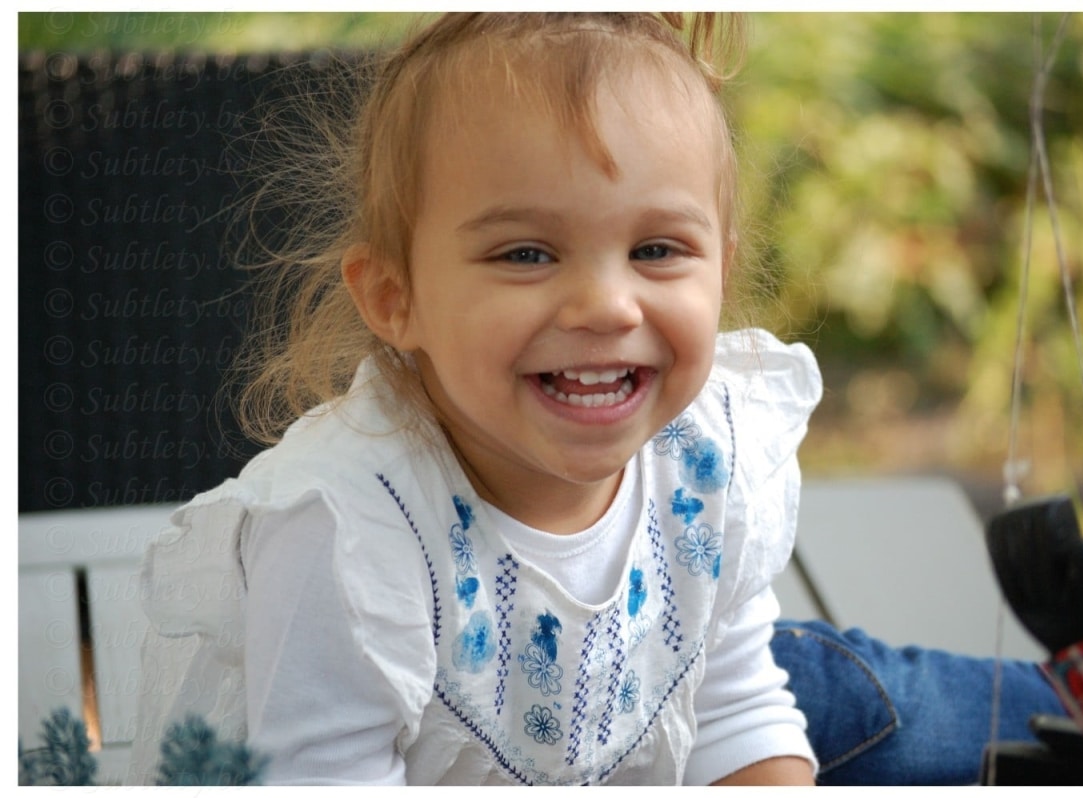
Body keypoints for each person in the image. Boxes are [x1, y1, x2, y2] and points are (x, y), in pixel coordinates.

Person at [130, 12, 820, 786]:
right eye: (526, 253)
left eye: (656, 249)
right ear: (396, 297)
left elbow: (733, 715)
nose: (606, 306)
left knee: (906, 705)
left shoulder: (707, 456)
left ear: (721, 269)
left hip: (664, 720)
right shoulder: (347, 536)